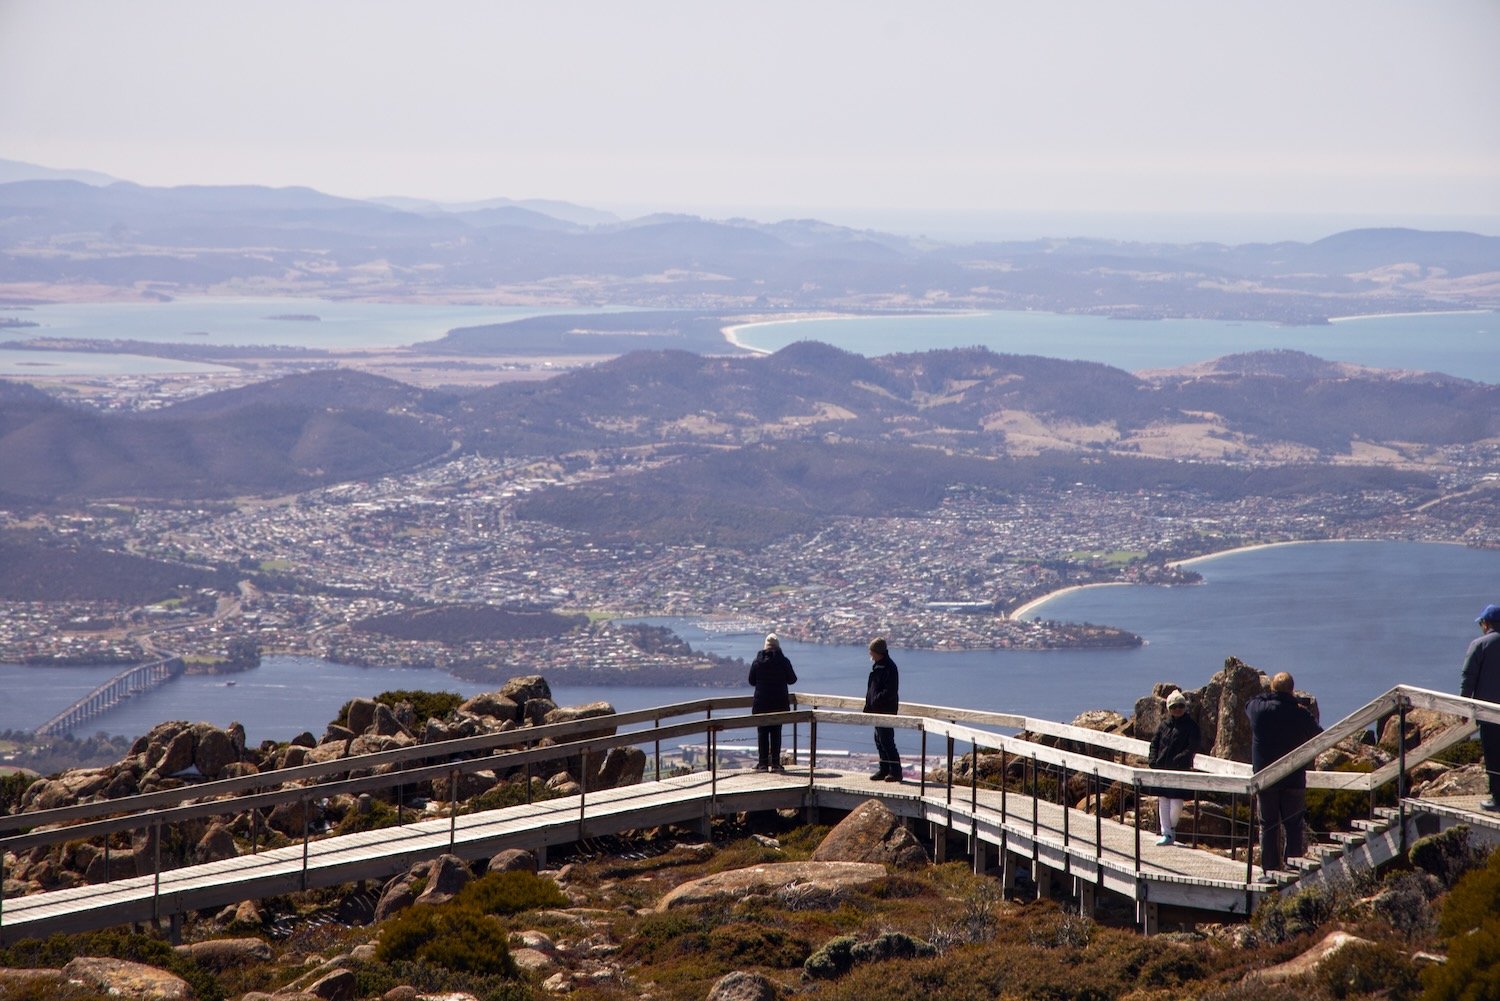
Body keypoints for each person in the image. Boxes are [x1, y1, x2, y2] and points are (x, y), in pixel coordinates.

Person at [1245, 671, 1323, 878]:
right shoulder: (1300, 714)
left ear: (1272, 689)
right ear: (1292, 689)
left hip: (1267, 779)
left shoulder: (1260, 710)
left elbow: (1249, 703)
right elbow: (1318, 735)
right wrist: (1294, 703)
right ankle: (1294, 867)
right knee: (1293, 825)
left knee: (1268, 825)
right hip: (1294, 778)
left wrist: (1272, 696)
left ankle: (1269, 870)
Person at [1460, 603, 1500, 811]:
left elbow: (1469, 678)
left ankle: (1497, 799)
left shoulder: (1479, 645)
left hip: (1489, 713)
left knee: (1494, 756)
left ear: (1486, 624)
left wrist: (1464, 708)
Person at [1148, 688, 1200, 846]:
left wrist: (1180, 759)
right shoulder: (1164, 725)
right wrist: (1153, 759)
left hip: (1180, 769)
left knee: (1177, 801)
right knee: (1163, 799)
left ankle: (1170, 829)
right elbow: (1154, 743)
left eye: (1180, 706)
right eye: (1174, 707)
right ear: (1169, 709)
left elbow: (1193, 746)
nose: (1177, 709)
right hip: (1162, 768)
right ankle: (1167, 833)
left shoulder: (1191, 726)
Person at [748, 633, 797, 772]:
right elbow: (792, 679)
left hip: (761, 703)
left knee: (762, 733)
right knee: (776, 732)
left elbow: (751, 681)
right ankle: (775, 764)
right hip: (779, 703)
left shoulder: (757, 662)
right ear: (778, 647)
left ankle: (762, 764)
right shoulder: (783, 661)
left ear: (765, 647)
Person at [864, 637, 902, 781]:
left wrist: (876, 700)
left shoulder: (889, 668)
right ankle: (884, 769)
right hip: (877, 709)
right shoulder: (880, 666)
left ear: (878, 652)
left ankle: (895, 771)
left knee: (886, 740)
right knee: (879, 740)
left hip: (885, 710)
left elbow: (890, 691)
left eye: (872, 651)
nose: (870, 655)